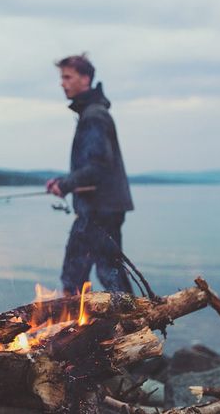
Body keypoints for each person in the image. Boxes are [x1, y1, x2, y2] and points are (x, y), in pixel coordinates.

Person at [47, 54, 134, 295]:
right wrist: (64, 182)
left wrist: (64, 185)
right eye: (62, 77)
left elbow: (98, 167)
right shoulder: (92, 112)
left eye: (67, 77)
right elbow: (93, 166)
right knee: (109, 272)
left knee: (78, 277)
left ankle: (131, 322)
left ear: (85, 79)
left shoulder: (94, 115)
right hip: (103, 208)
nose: (62, 83)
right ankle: (132, 321)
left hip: (99, 210)